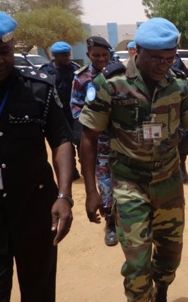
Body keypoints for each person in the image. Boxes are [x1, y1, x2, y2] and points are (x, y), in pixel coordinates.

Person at [78, 17, 188, 302]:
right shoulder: (111, 83)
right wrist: (92, 191)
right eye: (157, 58)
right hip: (129, 184)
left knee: (169, 254)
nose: (164, 65)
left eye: (170, 58)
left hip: (168, 181)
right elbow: (89, 138)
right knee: (137, 264)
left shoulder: (179, 85)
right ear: (137, 51)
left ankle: (162, 291)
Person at [0, 8, 73, 301]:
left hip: (34, 209)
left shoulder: (38, 89)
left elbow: (61, 140)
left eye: (3, 50)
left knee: (39, 291)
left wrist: (64, 195)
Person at [70, 36, 117, 247]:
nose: (101, 58)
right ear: (88, 55)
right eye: (96, 55)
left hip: (120, 139)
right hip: (97, 141)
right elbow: (75, 106)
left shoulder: (119, 75)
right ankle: (111, 222)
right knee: (105, 183)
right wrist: (93, 122)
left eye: (104, 55)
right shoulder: (81, 78)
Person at [41, 41, 81, 181]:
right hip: (57, 113)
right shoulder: (45, 71)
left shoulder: (76, 69)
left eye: (68, 54)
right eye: (63, 55)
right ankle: (71, 171)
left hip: (74, 112)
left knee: (80, 140)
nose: (67, 58)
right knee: (64, 143)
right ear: (55, 56)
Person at [171, 54, 188, 183]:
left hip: (177, 106)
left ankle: (182, 166)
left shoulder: (177, 60)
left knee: (183, 138)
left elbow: (185, 76)